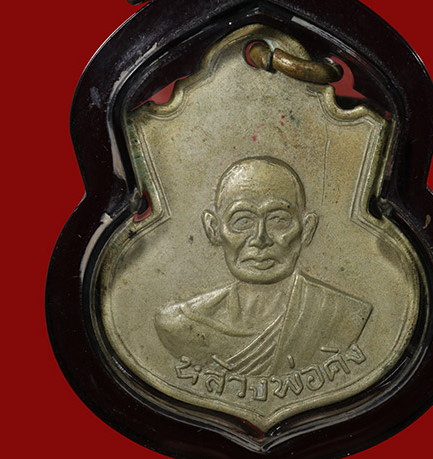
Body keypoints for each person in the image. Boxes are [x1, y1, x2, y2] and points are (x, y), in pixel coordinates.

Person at [155, 156, 372, 376]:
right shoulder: (179, 324)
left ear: (306, 228)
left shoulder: (341, 315)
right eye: (242, 220)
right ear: (214, 228)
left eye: (279, 220)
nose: (260, 239)